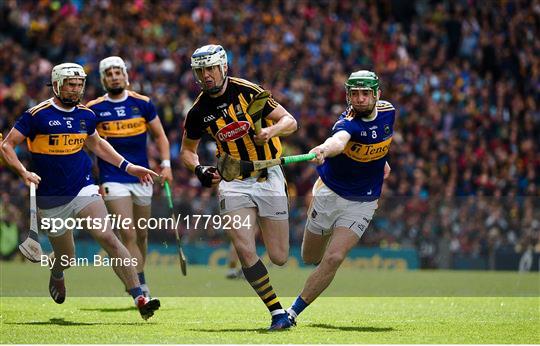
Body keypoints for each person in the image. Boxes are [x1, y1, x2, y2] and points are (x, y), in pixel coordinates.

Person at [0, 63, 161, 320]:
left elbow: (97, 144)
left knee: (108, 237)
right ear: (57, 85)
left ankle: (140, 296)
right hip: (51, 198)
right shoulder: (36, 115)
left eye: (79, 85)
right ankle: (57, 271)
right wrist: (23, 172)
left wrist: (128, 167)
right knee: (66, 256)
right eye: (70, 85)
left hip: (83, 187)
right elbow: (7, 146)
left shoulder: (86, 115)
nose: (76, 90)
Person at [180, 44, 298, 330]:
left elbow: (290, 121)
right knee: (245, 249)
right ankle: (277, 312)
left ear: (223, 67)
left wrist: (270, 131)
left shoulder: (248, 91)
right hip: (233, 181)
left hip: (268, 174)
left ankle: (275, 299)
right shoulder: (198, 111)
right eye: (200, 71)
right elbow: (186, 151)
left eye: (210, 69)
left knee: (280, 257)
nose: (206, 76)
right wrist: (199, 169)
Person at [286, 70, 393, 325]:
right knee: (310, 257)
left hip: (364, 201)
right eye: (354, 94)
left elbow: (381, 136)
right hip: (329, 193)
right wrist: (324, 149)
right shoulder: (347, 123)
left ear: (377, 94)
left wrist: (382, 160)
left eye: (366, 94)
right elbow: (338, 141)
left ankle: (292, 313)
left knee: (334, 258)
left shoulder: (389, 111)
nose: (360, 99)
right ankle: (316, 265)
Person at [86, 56, 172, 298]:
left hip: (143, 177)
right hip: (113, 177)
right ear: (103, 79)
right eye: (109, 73)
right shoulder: (94, 108)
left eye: (118, 72)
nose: (114, 76)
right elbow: (87, 145)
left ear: (126, 75)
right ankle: (140, 287)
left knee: (142, 234)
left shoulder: (142, 103)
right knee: (129, 233)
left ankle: (133, 276)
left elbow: (161, 137)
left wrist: (166, 165)